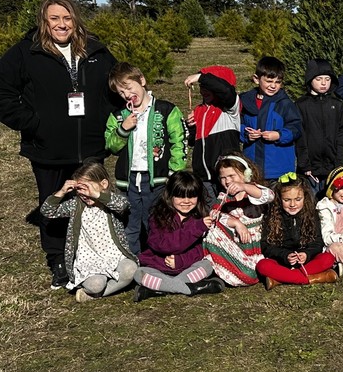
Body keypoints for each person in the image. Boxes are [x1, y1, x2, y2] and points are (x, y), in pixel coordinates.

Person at [0, 0, 119, 288]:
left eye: (67, 18)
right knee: (53, 203)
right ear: (44, 20)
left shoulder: (96, 51)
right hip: (47, 148)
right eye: (54, 18)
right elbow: (2, 94)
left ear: (75, 20)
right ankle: (58, 261)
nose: (61, 25)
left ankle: (94, 254)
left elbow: (117, 87)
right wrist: (33, 123)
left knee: (91, 202)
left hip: (91, 147)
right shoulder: (26, 53)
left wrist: (113, 119)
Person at [104, 62, 188, 254]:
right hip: (129, 180)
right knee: (130, 223)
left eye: (128, 88)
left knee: (155, 221)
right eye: (121, 92)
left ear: (141, 81)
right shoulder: (118, 116)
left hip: (158, 179)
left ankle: (157, 259)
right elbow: (111, 146)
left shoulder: (166, 110)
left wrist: (174, 172)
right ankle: (132, 261)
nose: (126, 95)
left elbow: (180, 141)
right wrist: (123, 129)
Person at [40, 160, 137, 302]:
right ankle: (96, 290)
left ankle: (92, 296)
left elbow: (122, 205)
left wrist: (97, 195)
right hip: (90, 260)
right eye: (79, 189)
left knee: (131, 270)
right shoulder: (76, 205)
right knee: (96, 285)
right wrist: (61, 192)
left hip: (114, 256)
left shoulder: (110, 201)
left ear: (103, 184)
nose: (85, 194)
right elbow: (47, 211)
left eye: (88, 188)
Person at [133, 171, 224, 301]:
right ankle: (193, 288)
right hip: (159, 266)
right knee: (139, 273)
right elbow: (164, 245)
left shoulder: (199, 217)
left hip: (186, 268)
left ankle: (157, 290)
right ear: (170, 196)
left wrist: (181, 260)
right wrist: (196, 228)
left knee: (207, 266)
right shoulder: (158, 217)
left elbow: (200, 250)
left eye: (191, 197)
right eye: (180, 197)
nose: (186, 201)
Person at [257, 173, 338, 289]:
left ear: (305, 197)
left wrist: (306, 254)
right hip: (282, 262)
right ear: (279, 199)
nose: (293, 204)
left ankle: (281, 280)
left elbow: (318, 242)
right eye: (287, 200)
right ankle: (316, 278)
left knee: (328, 258)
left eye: (298, 199)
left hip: (307, 262)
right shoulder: (272, 216)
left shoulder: (311, 214)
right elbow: (266, 246)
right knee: (263, 266)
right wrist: (285, 255)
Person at [203, 155, 274, 287]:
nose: (228, 181)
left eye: (232, 176)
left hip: (255, 244)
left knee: (254, 271)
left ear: (245, 174)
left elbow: (269, 196)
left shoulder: (252, 190)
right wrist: (236, 223)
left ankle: (244, 273)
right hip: (237, 243)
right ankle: (224, 271)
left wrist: (244, 187)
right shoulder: (224, 196)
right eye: (223, 178)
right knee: (211, 230)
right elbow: (214, 214)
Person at [183, 66, 240, 203]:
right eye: (202, 86)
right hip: (204, 179)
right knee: (209, 216)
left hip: (226, 177)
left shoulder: (230, 108)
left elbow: (226, 91)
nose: (204, 90)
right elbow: (192, 141)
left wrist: (201, 77)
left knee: (228, 215)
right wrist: (190, 127)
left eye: (209, 86)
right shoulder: (199, 110)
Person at [240, 56, 302, 180]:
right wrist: (246, 134)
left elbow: (296, 127)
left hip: (278, 169)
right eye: (269, 81)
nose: (273, 86)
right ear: (256, 79)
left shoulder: (284, 103)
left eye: (278, 82)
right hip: (251, 167)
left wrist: (279, 135)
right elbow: (236, 125)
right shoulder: (245, 101)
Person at [296, 58, 343, 198]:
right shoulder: (301, 105)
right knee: (310, 204)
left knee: (330, 205)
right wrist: (304, 165)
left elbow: (342, 135)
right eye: (319, 79)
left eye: (327, 79)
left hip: (332, 167)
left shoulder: (337, 105)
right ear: (310, 79)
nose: (324, 83)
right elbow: (299, 137)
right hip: (309, 170)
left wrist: (340, 163)